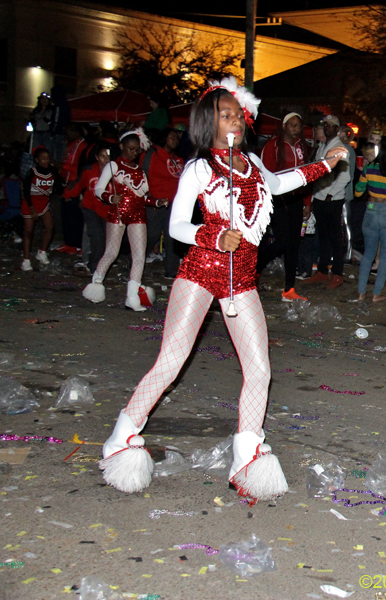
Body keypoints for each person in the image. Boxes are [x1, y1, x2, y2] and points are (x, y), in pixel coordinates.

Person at [98, 77, 345, 500]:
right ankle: (121, 436)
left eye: (237, 114)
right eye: (223, 115)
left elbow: (281, 183)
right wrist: (213, 237)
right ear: (207, 123)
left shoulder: (252, 165)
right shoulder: (198, 169)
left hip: (241, 281)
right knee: (170, 364)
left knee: (260, 369)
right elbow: (177, 226)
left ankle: (247, 452)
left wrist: (327, 163)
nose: (233, 121)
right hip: (199, 273)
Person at [82, 128, 155, 312]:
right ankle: (96, 282)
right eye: (130, 148)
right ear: (122, 146)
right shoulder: (113, 166)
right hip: (118, 214)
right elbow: (99, 189)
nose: (134, 152)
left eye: (136, 149)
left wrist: (156, 202)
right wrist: (109, 197)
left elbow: (142, 197)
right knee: (111, 252)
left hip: (138, 215)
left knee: (139, 255)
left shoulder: (140, 171)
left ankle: (132, 297)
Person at [256, 112, 311, 300]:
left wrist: (307, 202)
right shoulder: (272, 145)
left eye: (298, 126)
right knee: (282, 242)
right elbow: (264, 175)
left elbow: (305, 176)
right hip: (277, 200)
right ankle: (255, 268)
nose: (296, 129)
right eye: (292, 125)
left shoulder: (301, 147)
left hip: (296, 199)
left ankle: (289, 289)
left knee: (293, 244)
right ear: (284, 126)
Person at [354, 135, 386, 302]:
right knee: (385, 256)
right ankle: (376, 293)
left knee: (368, 254)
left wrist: (363, 181)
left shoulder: (370, 168)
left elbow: (358, 192)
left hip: (371, 210)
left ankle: (361, 292)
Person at [307, 115, 351, 289]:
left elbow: (345, 175)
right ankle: (323, 271)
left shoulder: (339, 147)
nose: (327, 128)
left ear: (337, 129)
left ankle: (337, 273)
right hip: (320, 196)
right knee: (323, 236)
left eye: (331, 125)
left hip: (331, 198)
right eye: (325, 125)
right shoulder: (323, 146)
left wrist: (331, 194)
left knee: (334, 238)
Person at [142, 128, 184, 279]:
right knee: (151, 234)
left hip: (173, 203)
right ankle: (136, 264)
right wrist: (148, 195)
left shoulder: (178, 158)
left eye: (177, 138)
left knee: (171, 236)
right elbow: (144, 173)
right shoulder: (154, 153)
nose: (175, 140)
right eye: (171, 137)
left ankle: (172, 270)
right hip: (156, 202)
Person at [64, 142, 111, 273]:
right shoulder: (89, 170)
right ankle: (94, 266)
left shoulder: (115, 172)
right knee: (97, 236)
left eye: (107, 156)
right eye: (102, 156)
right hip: (90, 207)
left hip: (107, 210)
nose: (105, 160)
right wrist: (67, 194)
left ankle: (96, 262)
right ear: (97, 157)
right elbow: (78, 184)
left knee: (104, 239)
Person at [20, 147, 60, 271]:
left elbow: (59, 186)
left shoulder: (53, 171)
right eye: (43, 158)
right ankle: (26, 260)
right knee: (28, 232)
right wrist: (32, 208)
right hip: (30, 203)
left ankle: (42, 252)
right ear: (37, 160)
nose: (46, 161)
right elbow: (26, 191)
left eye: (47, 158)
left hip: (43, 203)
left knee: (49, 227)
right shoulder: (32, 172)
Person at [57, 123, 87, 255]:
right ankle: (69, 242)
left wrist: (63, 167)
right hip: (66, 183)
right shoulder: (71, 144)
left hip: (75, 183)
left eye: (69, 131)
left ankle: (76, 244)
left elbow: (78, 167)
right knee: (66, 214)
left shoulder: (81, 145)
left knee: (74, 216)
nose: (66, 134)